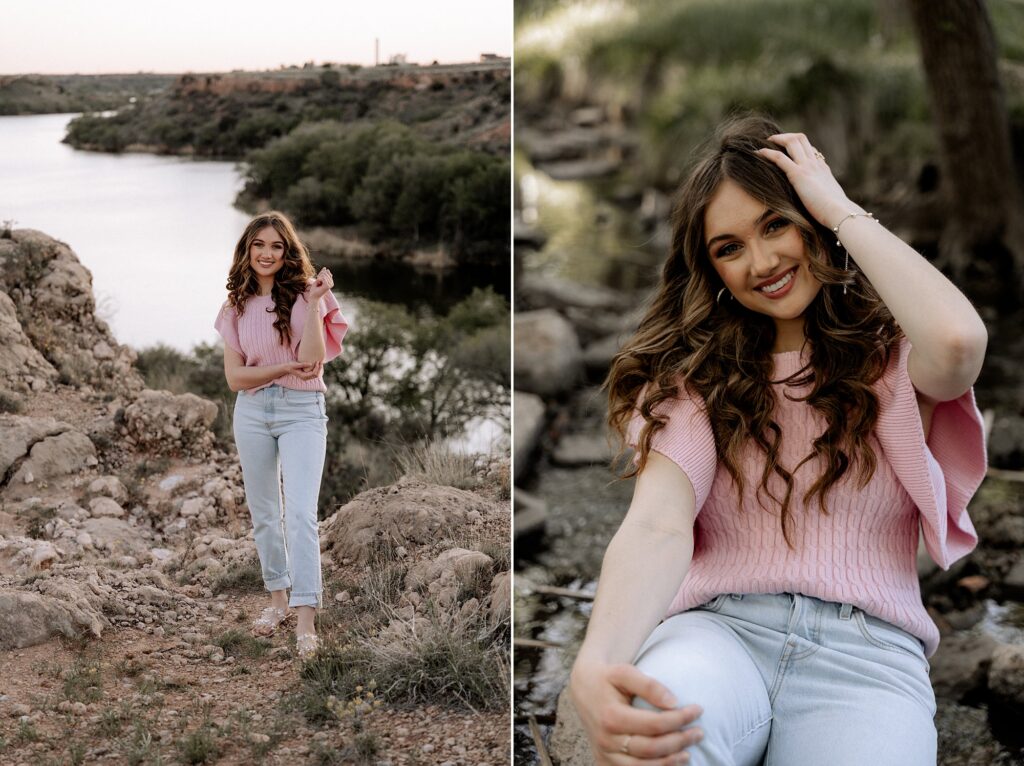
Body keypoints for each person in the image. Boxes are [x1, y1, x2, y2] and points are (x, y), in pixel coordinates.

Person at [568, 114, 988, 765]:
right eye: (728, 247)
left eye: (776, 224)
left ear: (811, 220)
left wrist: (839, 206)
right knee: (654, 745)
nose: (761, 263)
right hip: (718, 633)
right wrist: (594, 664)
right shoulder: (694, 375)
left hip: (868, 658)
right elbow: (657, 526)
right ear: (708, 268)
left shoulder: (895, 358)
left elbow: (960, 343)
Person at [213, 211, 348, 660]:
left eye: (276, 246)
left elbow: (311, 361)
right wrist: (280, 368)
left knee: (301, 515)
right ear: (247, 251)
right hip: (251, 412)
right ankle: (277, 600)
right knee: (265, 512)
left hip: (302, 411)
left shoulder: (310, 295)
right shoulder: (235, 306)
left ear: (288, 251)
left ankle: (306, 616)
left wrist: (313, 304)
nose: (267, 254)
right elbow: (235, 379)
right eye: (259, 246)